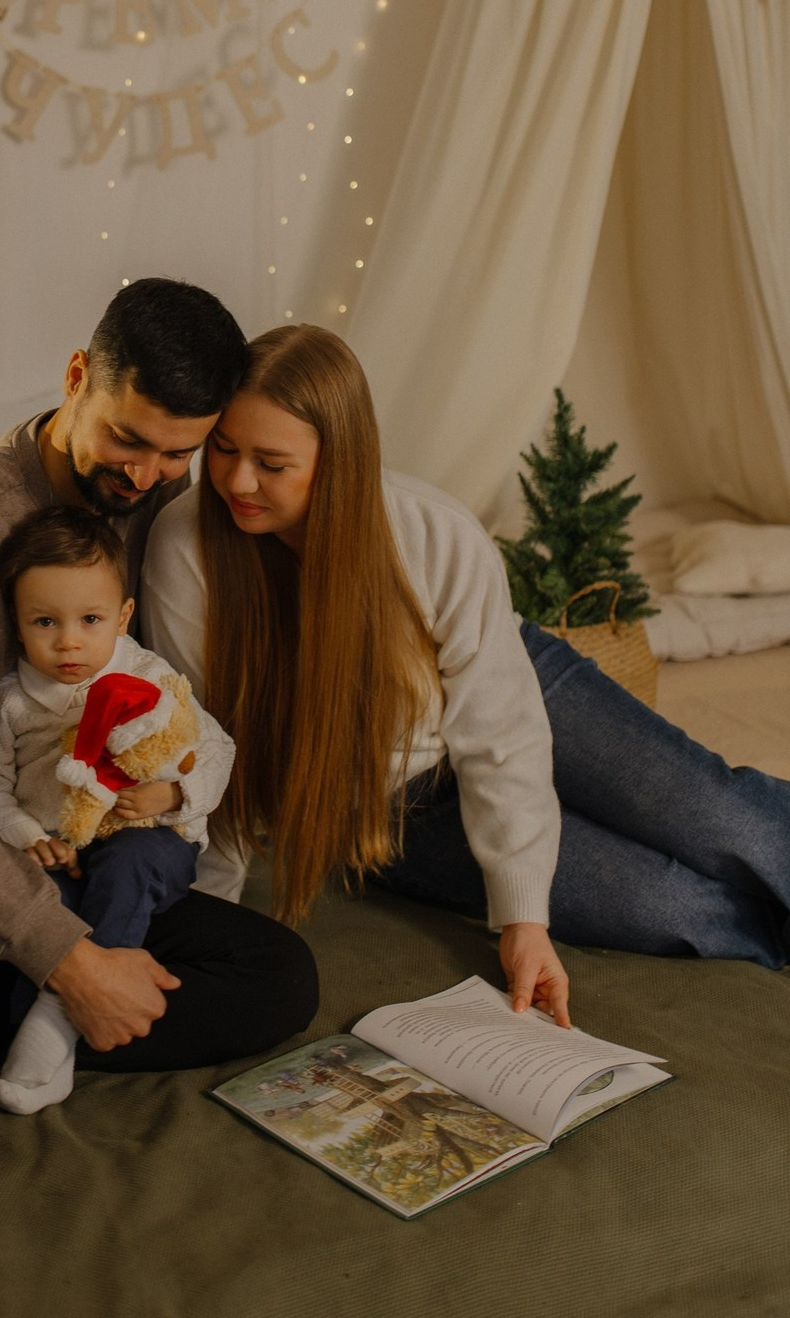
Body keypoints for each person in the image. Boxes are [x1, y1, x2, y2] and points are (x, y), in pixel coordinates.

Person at [0, 280, 318, 1175]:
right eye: (128, 439)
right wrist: (73, 963)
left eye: (177, 453)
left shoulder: (160, 504)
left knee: (276, 981)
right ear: (77, 377)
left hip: (72, 836)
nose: (145, 474)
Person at [141, 323, 790, 1026]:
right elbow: (206, 745)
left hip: (513, 687)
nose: (238, 481)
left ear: (340, 459)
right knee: (663, 905)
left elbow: (498, 729)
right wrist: (207, 920)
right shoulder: (183, 550)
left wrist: (524, 919)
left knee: (721, 817)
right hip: (394, 803)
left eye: (272, 463)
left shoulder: (433, 531)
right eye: (224, 450)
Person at [0, 505, 235, 1114]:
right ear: (17, 622)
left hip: (149, 840)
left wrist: (174, 795)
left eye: (90, 620)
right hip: (61, 849)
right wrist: (25, 835)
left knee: (128, 864)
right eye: (45, 621)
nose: (68, 641)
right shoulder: (9, 702)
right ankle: (49, 1043)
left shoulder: (149, 676)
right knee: (41, 908)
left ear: (122, 617)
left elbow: (217, 749)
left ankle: (49, 1034)